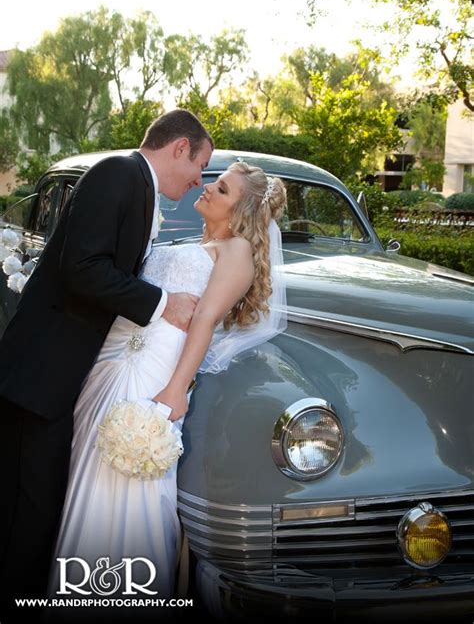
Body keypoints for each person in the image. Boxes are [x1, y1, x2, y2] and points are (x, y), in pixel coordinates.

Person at [47, 161, 287, 616]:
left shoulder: (235, 251)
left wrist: (177, 389)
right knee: (91, 471)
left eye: (221, 189)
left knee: (129, 486)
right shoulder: (202, 243)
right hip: (114, 361)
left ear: (242, 212)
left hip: (154, 371)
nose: (208, 189)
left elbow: (203, 322)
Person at [0, 109, 213, 617]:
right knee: (27, 509)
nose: (198, 180)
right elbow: (83, 269)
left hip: (63, 377)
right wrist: (163, 302)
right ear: (179, 147)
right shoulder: (118, 173)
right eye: (200, 166)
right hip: (40, 376)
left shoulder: (137, 186)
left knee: (38, 506)